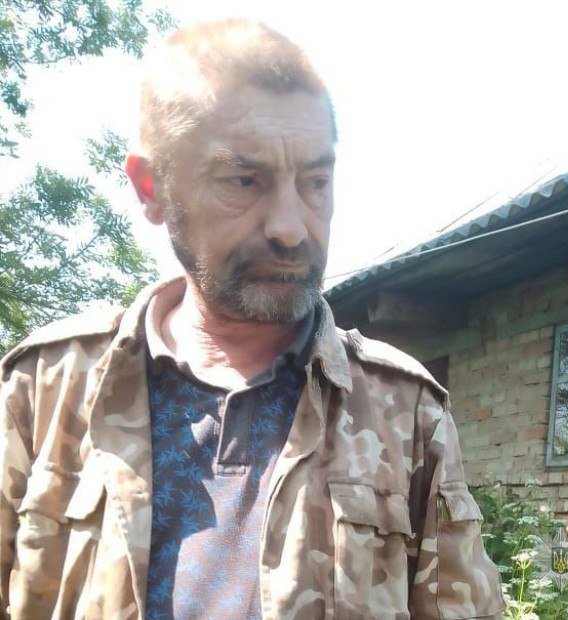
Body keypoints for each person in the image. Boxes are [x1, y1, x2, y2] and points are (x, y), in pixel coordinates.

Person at [0, 18, 504, 620]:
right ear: (152, 188)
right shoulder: (45, 389)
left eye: (315, 182)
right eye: (244, 180)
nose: (290, 227)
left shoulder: (406, 411)